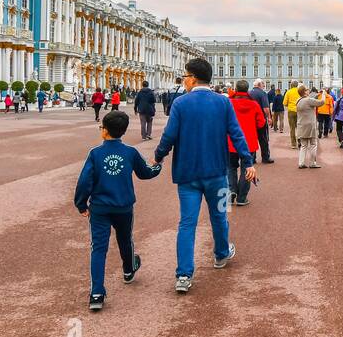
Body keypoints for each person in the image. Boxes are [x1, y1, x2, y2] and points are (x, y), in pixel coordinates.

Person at [153, 58, 256, 295]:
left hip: (187, 175)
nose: (184, 80)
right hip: (217, 173)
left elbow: (169, 137)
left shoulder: (180, 103)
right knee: (220, 217)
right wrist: (247, 161)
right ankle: (221, 254)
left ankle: (183, 274)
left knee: (186, 223)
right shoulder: (223, 103)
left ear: (192, 78)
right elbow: (237, 134)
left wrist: (158, 157)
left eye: (185, 76)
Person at [73, 109, 162, 312]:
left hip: (100, 208)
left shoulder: (95, 153)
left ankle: (96, 292)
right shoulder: (130, 152)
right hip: (123, 206)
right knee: (125, 239)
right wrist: (158, 167)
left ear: (105, 131)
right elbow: (145, 173)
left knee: (98, 248)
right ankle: (129, 269)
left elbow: (84, 181)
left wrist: (81, 204)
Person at [228, 80, 266, 205]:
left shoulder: (229, 103)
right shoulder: (254, 104)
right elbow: (261, 123)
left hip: (230, 142)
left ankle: (231, 190)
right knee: (247, 169)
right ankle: (242, 198)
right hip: (249, 142)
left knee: (230, 167)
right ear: (247, 89)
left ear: (236, 88)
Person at [294, 86, 322, 168]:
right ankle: (312, 163)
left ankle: (301, 163)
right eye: (307, 90)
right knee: (313, 144)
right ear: (304, 92)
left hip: (301, 125)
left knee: (303, 145)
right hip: (310, 125)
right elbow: (321, 102)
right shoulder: (309, 100)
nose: (308, 90)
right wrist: (323, 94)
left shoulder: (298, 100)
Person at [250, 79, 274, 163]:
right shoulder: (262, 93)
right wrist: (269, 117)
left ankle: (252, 158)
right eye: (263, 85)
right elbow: (266, 108)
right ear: (260, 85)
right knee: (263, 139)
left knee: (252, 139)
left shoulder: (249, 93)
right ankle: (265, 157)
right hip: (261, 120)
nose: (264, 86)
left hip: (251, 120)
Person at [283, 80, 303, 148]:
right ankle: (300, 141)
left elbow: (285, 103)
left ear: (291, 85)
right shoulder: (299, 91)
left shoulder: (288, 92)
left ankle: (293, 144)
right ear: (297, 85)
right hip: (299, 110)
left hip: (291, 111)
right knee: (299, 127)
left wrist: (289, 104)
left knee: (292, 128)